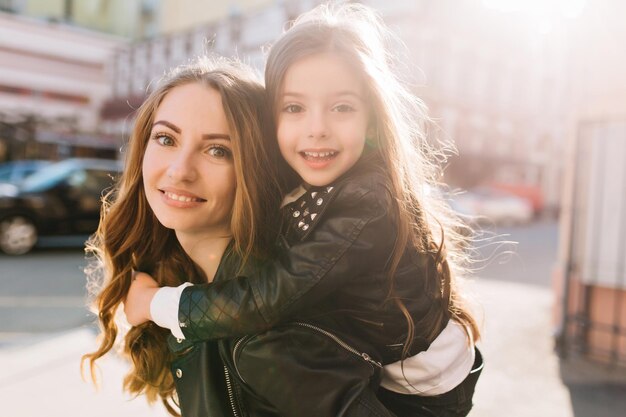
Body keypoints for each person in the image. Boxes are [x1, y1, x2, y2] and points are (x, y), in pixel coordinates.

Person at [127, 3, 483, 416]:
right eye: (294, 108)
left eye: (342, 108)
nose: (317, 128)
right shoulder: (312, 181)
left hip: (422, 394)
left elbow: (269, 298)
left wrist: (158, 304)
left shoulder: (367, 202)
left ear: (372, 120)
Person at [82, 57, 392, 417]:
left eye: (218, 150)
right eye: (166, 138)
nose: (180, 170)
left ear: (256, 169)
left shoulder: (263, 339)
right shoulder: (187, 279)